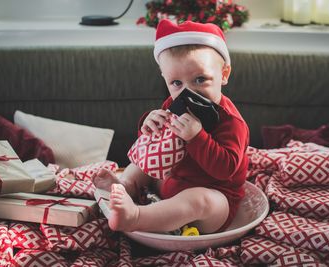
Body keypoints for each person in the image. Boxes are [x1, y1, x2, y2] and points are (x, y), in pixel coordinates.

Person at [94, 19, 250, 234]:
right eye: (177, 83)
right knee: (142, 164)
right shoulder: (172, 105)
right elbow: (155, 146)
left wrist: (197, 137)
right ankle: (125, 185)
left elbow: (225, 170)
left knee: (200, 199)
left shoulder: (231, 122)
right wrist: (148, 125)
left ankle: (136, 217)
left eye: (200, 79)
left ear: (223, 74)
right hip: (169, 183)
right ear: (165, 79)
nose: (189, 93)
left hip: (211, 204)